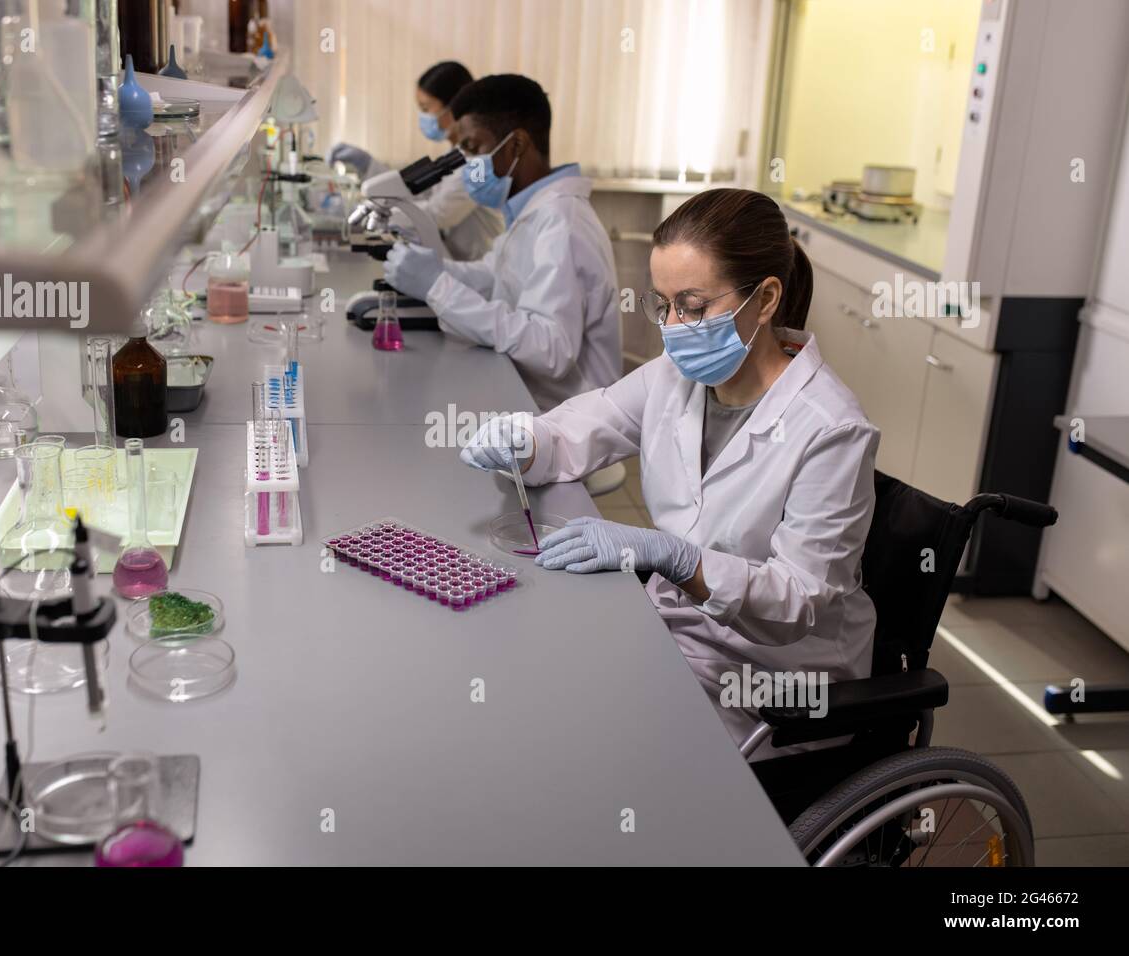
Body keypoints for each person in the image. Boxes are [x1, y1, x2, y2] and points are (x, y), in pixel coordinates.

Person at [460, 188, 880, 759]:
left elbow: (797, 601)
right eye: (664, 305)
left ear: (766, 298)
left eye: (694, 305)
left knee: (588, 745)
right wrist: (524, 440)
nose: (674, 326)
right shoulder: (675, 378)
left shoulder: (831, 428)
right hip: (676, 639)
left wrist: (675, 557)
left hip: (769, 686)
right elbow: (586, 426)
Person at [383, 73, 622, 413]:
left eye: (472, 148)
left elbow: (550, 349)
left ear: (517, 145)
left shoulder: (562, 224)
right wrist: (434, 271)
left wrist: (437, 286)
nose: (467, 164)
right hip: (524, 399)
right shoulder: (532, 210)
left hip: (563, 427)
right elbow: (495, 276)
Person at [326, 61, 502, 261]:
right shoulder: (458, 154)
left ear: (453, 108)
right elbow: (418, 190)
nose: (423, 117)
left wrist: (381, 211)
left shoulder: (479, 164)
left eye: (426, 108)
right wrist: (370, 168)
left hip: (477, 271)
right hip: (458, 264)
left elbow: (439, 214)